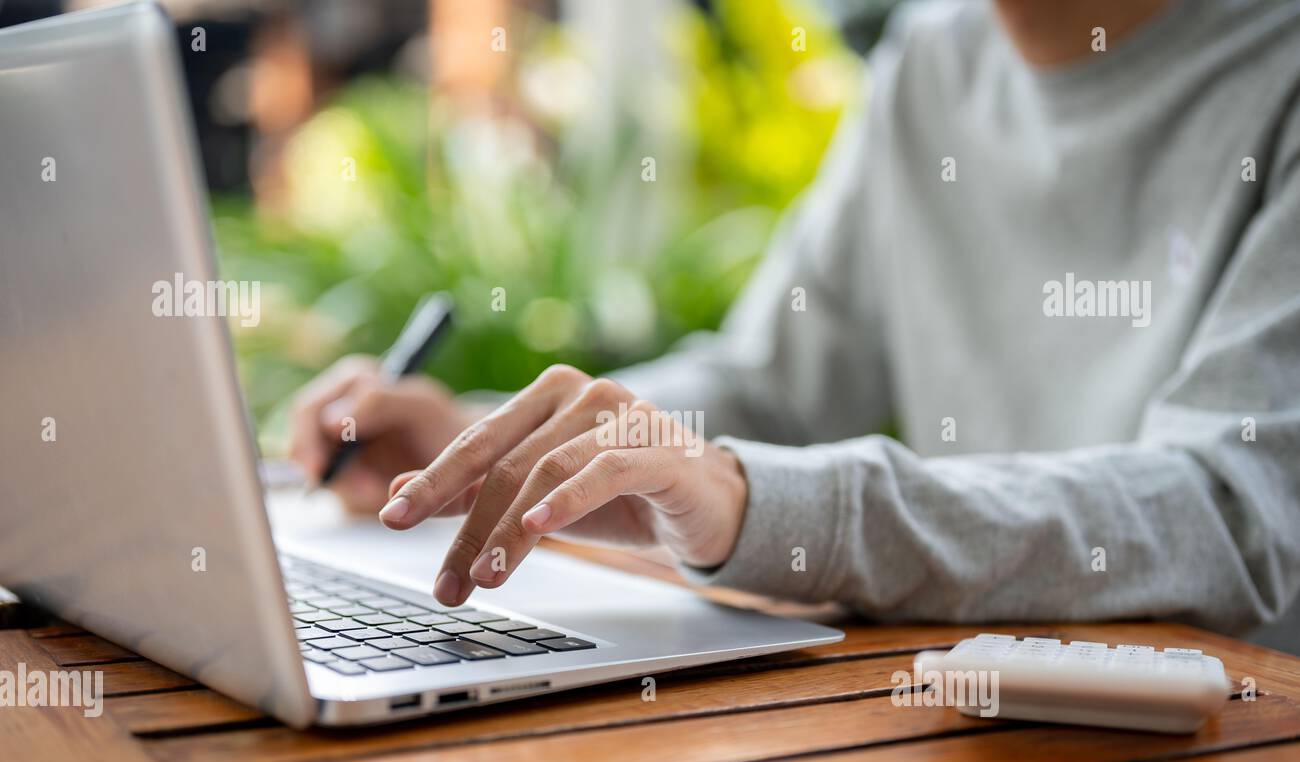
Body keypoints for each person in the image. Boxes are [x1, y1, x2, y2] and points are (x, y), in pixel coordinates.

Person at [288, 0, 1300, 648]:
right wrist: (488, 444)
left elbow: (1236, 509)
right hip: (974, 720)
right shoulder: (932, 60)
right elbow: (772, 382)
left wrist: (761, 505)